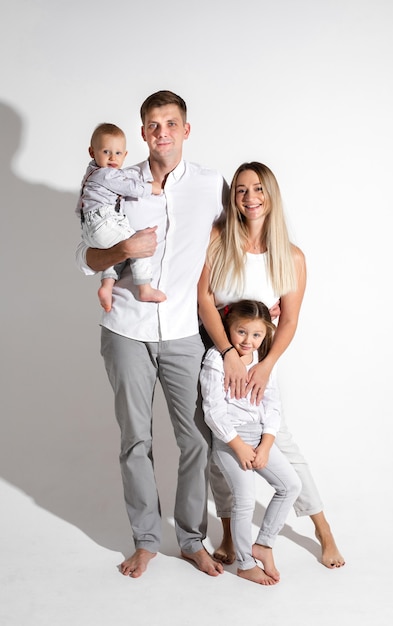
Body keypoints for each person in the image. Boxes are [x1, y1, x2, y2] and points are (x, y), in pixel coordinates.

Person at [75, 90, 227, 578]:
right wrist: (124, 245)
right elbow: (86, 256)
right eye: (153, 124)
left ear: (186, 129)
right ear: (143, 132)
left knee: (197, 440)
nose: (162, 131)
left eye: (171, 122)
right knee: (135, 440)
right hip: (125, 328)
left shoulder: (211, 185)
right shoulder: (115, 178)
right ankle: (144, 539)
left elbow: (240, 241)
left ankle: (190, 538)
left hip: (186, 331)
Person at [198, 161, 345, 569]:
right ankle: (229, 535)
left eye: (258, 189)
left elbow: (291, 319)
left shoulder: (291, 256)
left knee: (284, 446)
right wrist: (228, 353)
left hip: (261, 363)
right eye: (241, 190)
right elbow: (205, 299)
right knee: (219, 447)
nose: (250, 198)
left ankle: (322, 528)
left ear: (271, 195)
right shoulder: (218, 239)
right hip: (219, 358)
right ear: (234, 197)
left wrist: (265, 366)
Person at [200, 299, 302, 585]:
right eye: (241, 332)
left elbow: (273, 406)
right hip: (230, 441)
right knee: (244, 500)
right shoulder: (215, 359)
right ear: (229, 329)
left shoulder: (263, 360)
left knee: (290, 485)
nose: (249, 341)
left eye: (256, 335)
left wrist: (266, 445)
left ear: (265, 334)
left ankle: (263, 544)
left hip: (259, 437)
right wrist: (239, 447)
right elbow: (213, 411)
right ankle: (245, 563)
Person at [76, 122, 166, 311]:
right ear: (92, 152)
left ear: (125, 155)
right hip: (104, 221)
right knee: (137, 245)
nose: (112, 158)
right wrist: (152, 187)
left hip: (91, 227)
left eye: (118, 153)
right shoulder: (107, 174)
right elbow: (130, 187)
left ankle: (107, 287)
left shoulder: (90, 174)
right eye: (106, 152)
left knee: (116, 252)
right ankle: (145, 287)